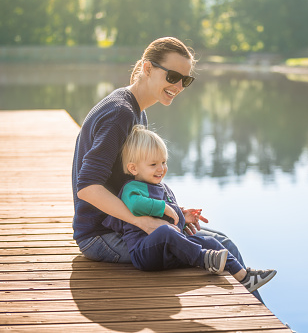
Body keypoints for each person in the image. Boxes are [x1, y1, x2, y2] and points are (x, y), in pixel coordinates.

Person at [71, 37, 267, 299]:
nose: (178, 86)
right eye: (173, 76)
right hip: (102, 235)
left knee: (222, 243)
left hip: (122, 225)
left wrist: (172, 212)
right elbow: (88, 187)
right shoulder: (121, 113)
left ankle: (258, 318)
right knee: (220, 248)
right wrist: (145, 222)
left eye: (185, 80)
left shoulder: (135, 111)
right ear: (148, 69)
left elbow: (134, 183)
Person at [102, 125, 276, 292]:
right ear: (133, 168)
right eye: (153, 164)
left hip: (168, 252)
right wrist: (164, 208)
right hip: (145, 252)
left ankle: (244, 277)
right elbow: (136, 205)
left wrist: (183, 218)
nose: (161, 168)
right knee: (165, 232)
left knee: (212, 243)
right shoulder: (132, 188)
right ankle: (205, 259)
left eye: (163, 162)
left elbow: (171, 220)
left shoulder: (163, 188)